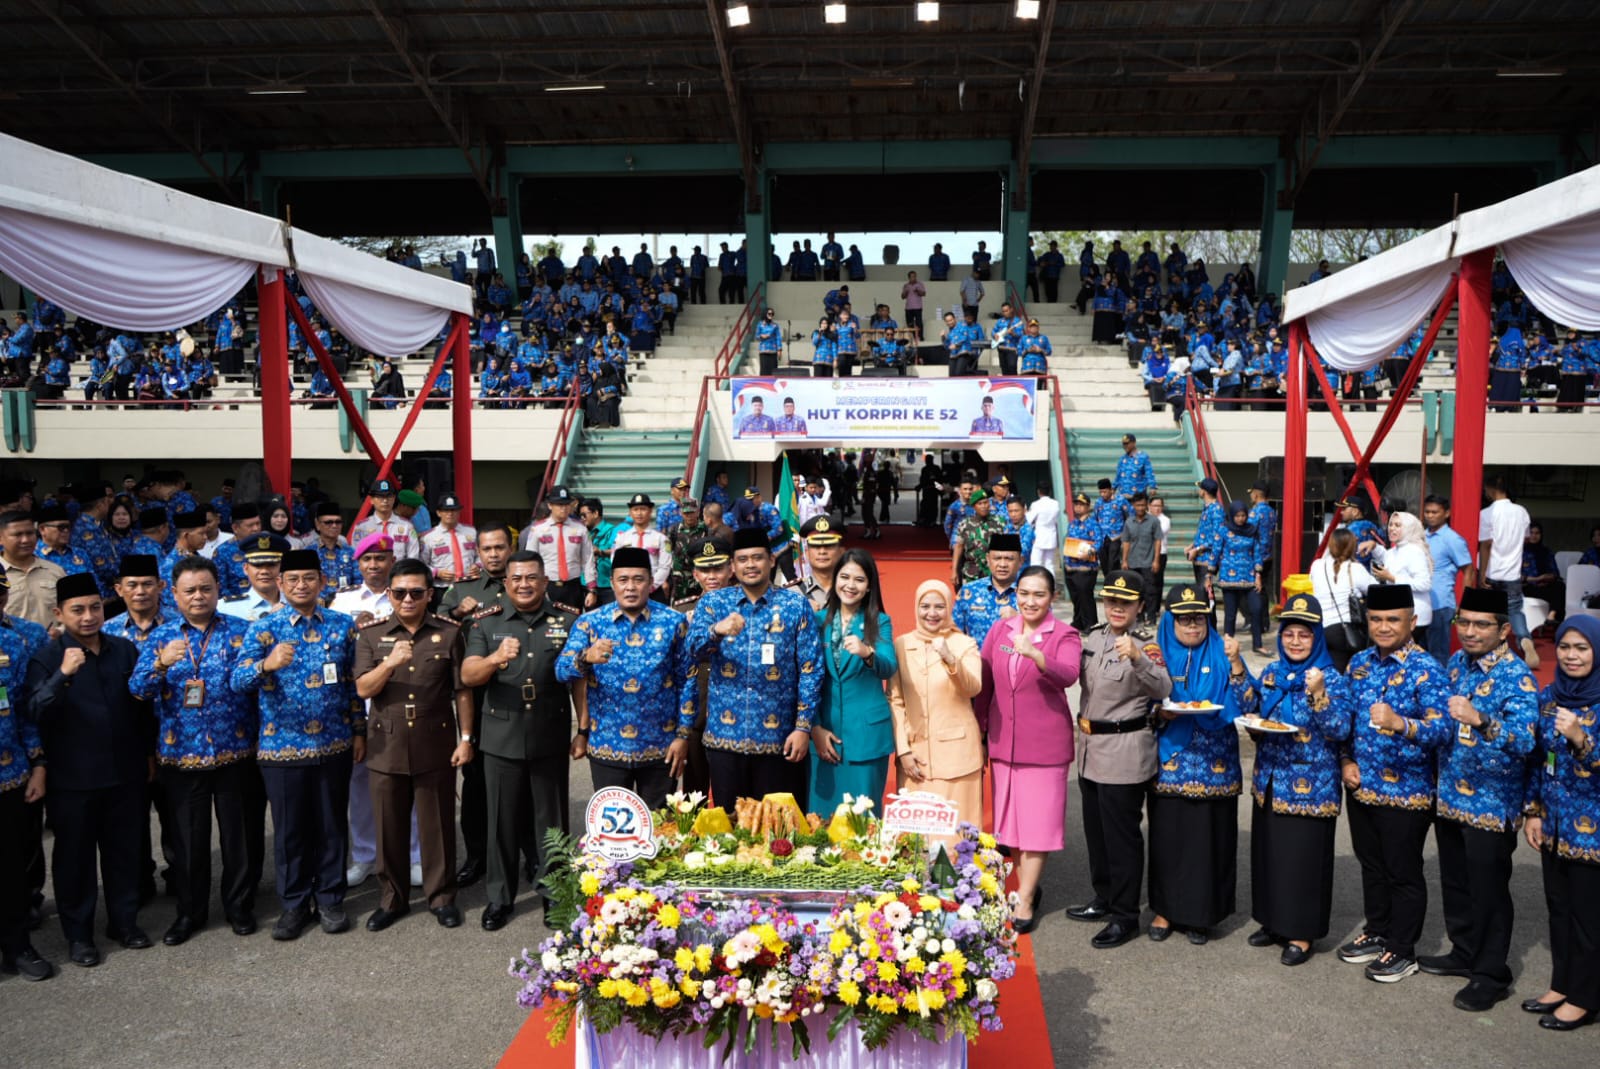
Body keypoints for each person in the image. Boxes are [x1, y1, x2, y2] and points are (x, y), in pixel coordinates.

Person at [228, 550, 364, 942]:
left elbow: (355, 685)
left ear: (322, 581)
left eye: (309, 578)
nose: (301, 585)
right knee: (290, 831)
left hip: (333, 743)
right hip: (281, 749)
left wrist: (360, 731)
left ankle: (330, 898)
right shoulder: (264, 629)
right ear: (281, 584)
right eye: (293, 579)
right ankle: (293, 904)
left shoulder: (342, 627)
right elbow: (238, 681)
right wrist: (265, 665)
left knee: (331, 826)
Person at [126, 557, 257, 945]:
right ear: (175, 594)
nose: (198, 596)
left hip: (235, 752)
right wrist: (161, 665)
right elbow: (137, 690)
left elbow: (254, 683)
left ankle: (239, 908)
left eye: (206, 588)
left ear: (218, 590)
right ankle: (190, 913)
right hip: (181, 756)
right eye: (190, 590)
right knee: (188, 842)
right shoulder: (161, 638)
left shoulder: (241, 631)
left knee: (240, 839)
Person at [27, 572, 154, 966]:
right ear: (58, 613)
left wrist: (149, 755)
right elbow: (33, 711)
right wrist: (63, 675)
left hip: (125, 773)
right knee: (75, 861)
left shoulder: (123, 649)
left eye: (95, 608)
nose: (88, 617)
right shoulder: (47, 657)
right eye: (77, 610)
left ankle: (124, 922)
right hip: (73, 779)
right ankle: (79, 936)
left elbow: (143, 706)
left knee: (125, 853)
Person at [1420, 586, 1538, 1010]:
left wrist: (1483, 720)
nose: (1469, 631)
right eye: (1463, 622)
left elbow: (1525, 741)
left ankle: (1491, 973)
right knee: (1456, 881)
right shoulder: (1456, 663)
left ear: (1504, 629)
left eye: (1481, 624)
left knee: (1488, 890)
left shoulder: (1516, 676)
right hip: (1451, 796)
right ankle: (1464, 951)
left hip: (1491, 802)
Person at [1337, 583, 1452, 983]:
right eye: (1376, 619)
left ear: (1412, 621)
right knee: (1372, 866)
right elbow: (1347, 722)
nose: (1384, 627)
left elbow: (1444, 731)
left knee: (1403, 871)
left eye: (1392, 619)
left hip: (1407, 791)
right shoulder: (1359, 663)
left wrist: (1401, 724)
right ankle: (1379, 930)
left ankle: (1403, 950)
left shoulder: (1428, 670)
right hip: (1362, 785)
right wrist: (1345, 760)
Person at [352, 558, 473, 932]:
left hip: (433, 740)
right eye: (400, 592)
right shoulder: (370, 635)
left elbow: (462, 690)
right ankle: (392, 899)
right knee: (389, 826)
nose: (407, 599)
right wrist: (389, 663)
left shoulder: (450, 633)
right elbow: (362, 689)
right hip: (385, 745)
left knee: (437, 824)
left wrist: (466, 739)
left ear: (429, 595)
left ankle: (441, 897)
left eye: (416, 593)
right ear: (388, 594)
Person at [1231, 594, 1352, 966]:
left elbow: (1339, 729)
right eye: (1289, 634)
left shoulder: (1331, 678)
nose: (1296, 641)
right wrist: (1237, 666)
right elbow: (1250, 705)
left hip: (1310, 787)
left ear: (1316, 638)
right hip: (1269, 779)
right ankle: (1272, 921)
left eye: (1304, 634)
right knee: (1270, 857)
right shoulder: (1273, 673)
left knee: (1302, 862)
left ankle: (1300, 932)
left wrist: (1318, 696)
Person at [461, 552, 578, 932]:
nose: (524, 584)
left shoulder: (567, 619)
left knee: (552, 823)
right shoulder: (486, 622)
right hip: (501, 737)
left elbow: (577, 680)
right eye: (516, 578)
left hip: (549, 734)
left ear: (545, 582)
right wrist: (495, 657)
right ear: (506, 583)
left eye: (532, 577)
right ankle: (499, 898)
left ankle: (555, 896)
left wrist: (585, 730)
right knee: (501, 824)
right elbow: (468, 674)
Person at [977, 566, 1084, 935]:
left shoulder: (1065, 634)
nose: (1029, 601)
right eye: (1023, 593)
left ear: (1052, 597)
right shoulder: (1001, 629)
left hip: (1045, 746)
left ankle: (1023, 898)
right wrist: (980, 728)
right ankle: (1028, 887)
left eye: (1039, 594)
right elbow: (986, 680)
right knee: (1014, 827)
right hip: (1004, 742)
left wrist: (1037, 656)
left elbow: (1068, 674)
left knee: (1037, 826)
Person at [1067, 570, 1171, 948]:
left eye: (1124, 603)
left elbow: (1163, 687)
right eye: (1111, 601)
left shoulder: (1148, 644)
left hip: (1124, 751)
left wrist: (1140, 659)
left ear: (1139, 607)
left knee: (1122, 838)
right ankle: (1104, 897)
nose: (1116, 608)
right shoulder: (1094, 636)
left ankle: (1125, 915)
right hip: (1090, 750)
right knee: (1096, 832)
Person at [685, 528, 822, 804]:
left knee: (778, 831)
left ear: (771, 561)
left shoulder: (795, 605)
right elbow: (690, 651)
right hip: (725, 739)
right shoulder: (713, 603)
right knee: (728, 829)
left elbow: (811, 669)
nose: (751, 565)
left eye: (757, 558)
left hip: (779, 739)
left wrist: (803, 727)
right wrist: (716, 630)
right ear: (733, 566)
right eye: (743, 560)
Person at [556, 547, 692, 811]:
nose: (631, 587)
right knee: (613, 834)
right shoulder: (590, 623)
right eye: (623, 580)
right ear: (613, 582)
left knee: (661, 831)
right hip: (607, 747)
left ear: (651, 582)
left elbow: (687, 681)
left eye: (638, 579)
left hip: (661, 748)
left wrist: (683, 736)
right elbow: (561, 670)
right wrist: (585, 657)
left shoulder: (674, 622)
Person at [1146, 585, 1241, 945]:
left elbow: (1246, 702)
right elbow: (1140, 702)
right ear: (1171, 622)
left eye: (1198, 619)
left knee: (1209, 840)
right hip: (1172, 762)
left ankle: (1203, 915)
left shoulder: (1222, 650)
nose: (1192, 626)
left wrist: (1235, 663)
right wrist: (1158, 711)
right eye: (1184, 620)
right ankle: (1165, 909)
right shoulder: (1156, 655)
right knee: (1169, 838)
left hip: (1217, 763)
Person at [1523, 615, 1600, 1031]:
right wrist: (1533, 811)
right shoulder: (1551, 696)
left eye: (1582, 648)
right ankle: (1562, 983)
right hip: (1554, 825)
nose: (1571, 656)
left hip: (1594, 830)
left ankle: (1586, 998)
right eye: (1566, 647)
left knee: (1589, 916)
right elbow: (1538, 759)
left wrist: (1582, 740)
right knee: (1559, 909)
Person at [887, 580, 984, 837]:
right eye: (925, 606)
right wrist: (903, 750)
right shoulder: (901, 644)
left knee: (956, 842)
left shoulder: (964, 644)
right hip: (915, 759)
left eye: (939, 606)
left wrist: (950, 658)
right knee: (915, 841)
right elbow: (895, 700)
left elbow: (972, 688)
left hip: (958, 758)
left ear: (949, 608)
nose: (932, 613)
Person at [808, 549, 897, 815]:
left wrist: (868, 652)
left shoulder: (879, 622)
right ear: (834, 581)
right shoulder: (817, 620)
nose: (850, 585)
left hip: (866, 737)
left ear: (869, 586)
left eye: (859, 579)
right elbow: (807, 679)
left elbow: (888, 666)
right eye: (844, 577)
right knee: (821, 820)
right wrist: (814, 728)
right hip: (824, 735)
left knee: (863, 820)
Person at [1477, 473, 1537, 668]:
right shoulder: (1522, 512)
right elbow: (1526, 538)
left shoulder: (1486, 513)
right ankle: (1524, 639)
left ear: (1490, 489)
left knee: (1492, 614)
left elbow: (1486, 544)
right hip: (1512, 572)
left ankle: (1492, 650)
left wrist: (1482, 573)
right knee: (1515, 611)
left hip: (1493, 572)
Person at [521, 486, 596, 612]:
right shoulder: (538, 529)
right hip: (547, 586)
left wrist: (592, 589)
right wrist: (534, 587)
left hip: (573, 586)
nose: (563, 508)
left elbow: (588, 560)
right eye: (559, 504)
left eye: (566, 504)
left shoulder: (580, 529)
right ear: (550, 505)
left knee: (573, 623)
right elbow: (531, 560)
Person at [1311, 529, 1376, 671]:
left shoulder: (1317, 566)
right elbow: (1375, 590)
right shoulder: (1356, 568)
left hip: (1320, 628)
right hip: (1344, 630)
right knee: (1346, 672)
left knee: (1325, 669)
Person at [1423, 495, 1475, 663]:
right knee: (1419, 652)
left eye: (1434, 512)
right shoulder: (1421, 537)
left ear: (1446, 513)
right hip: (1421, 602)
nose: (1430, 515)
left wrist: (1466, 602)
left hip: (1441, 604)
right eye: (1427, 512)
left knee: (1438, 654)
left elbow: (1468, 569)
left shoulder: (1452, 539)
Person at [952, 532, 1021, 645]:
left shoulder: (1031, 595)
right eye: (997, 558)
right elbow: (954, 634)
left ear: (1020, 561)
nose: (1002, 564)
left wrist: (1020, 619)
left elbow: (1044, 636)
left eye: (1009, 559)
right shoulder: (969, 592)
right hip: (975, 661)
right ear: (988, 560)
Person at [1, 510, 65, 629]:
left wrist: (60, 632)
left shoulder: (55, 571)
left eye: (30, 533)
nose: (25, 540)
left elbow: (70, 612)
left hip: (52, 644)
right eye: (17, 535)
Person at [1216, 501, 1265, 655]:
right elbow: (1216, 551)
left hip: (1249, 577)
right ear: (1232, 515)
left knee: (1257, 609)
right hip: (1229, 578)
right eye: (1237, 516)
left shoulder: (1252, 531)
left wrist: (1258, 575)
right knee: (1230, 614)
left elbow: (1257, 553)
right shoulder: (1224, 530)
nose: (1241, 519)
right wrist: (1210, 573)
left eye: (1243, 515)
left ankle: (1257, 644)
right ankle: (1228, 645)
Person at [348, 479, 420, 563]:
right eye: (380, 497)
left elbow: (413, 558)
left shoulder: (407, 526)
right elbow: (356, 556)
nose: (385, 501)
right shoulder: (362, 527)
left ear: (394, 499)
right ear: (371, 500)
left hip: (399, 574)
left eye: (389, 496)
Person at [1120, 493, 1163, 629]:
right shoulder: (1128, 522)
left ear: (1147, 506)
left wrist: (1156, 560)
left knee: (1150, 591)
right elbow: (1126, 542)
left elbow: (1157, 541)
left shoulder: (1153, 521)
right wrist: (1124, 560)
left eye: (1143, 505)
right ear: (1133, 506)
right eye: (1138, 505)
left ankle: (1151, 618)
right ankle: (1137, 617)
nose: (1140, 507)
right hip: (1132, 562)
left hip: (1148, 562)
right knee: (1134, 592)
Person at [418, 493, 477, 589]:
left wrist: (478, 566)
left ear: (459, 511)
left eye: (454, 510)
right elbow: (421, 564)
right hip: (442, 587)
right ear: (438, 513)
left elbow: (480, 556)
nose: (450, 513)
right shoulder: (428, 537)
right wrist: (437, 572)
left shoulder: (471, 532)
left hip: (470, 585)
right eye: (446, 510)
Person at [1062, 493, 1101, 631]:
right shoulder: (1073, 524)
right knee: (1076, 597)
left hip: (1086, 567)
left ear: (1087, 506)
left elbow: (1098, 543)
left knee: (1085, 596)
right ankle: (1078, 621)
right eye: (1076, 504)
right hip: (1071, 566)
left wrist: (1089, 553)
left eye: (1081, 504)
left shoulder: (1092, 524)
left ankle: (1090, 624)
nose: (1078, 507)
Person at [951, 490, 1005, 588]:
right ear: (974, 506)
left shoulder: (1000, 522)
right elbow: (958, 547)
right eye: (980, 504)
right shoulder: (965, 524)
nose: (984, 506)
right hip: (972, 571)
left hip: (994, 571)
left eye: (986, 503)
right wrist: (954, 571)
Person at [790, 515, 843, 612]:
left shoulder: (851, 589)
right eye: (816, 546)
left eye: (829, 546)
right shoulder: (792, 593)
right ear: (807, 552)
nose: (822, 551)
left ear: (841, 551)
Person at [1026, 482, 1060, 574]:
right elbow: (1057, 520)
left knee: (1035, 563)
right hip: (1051, 535)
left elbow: (1028, 519)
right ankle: (1051, 585)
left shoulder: (1036, 504)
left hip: (1039, 536)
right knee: (1049, 564)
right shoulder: (1056, 504)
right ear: (1049, 492)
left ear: (1038, 491)